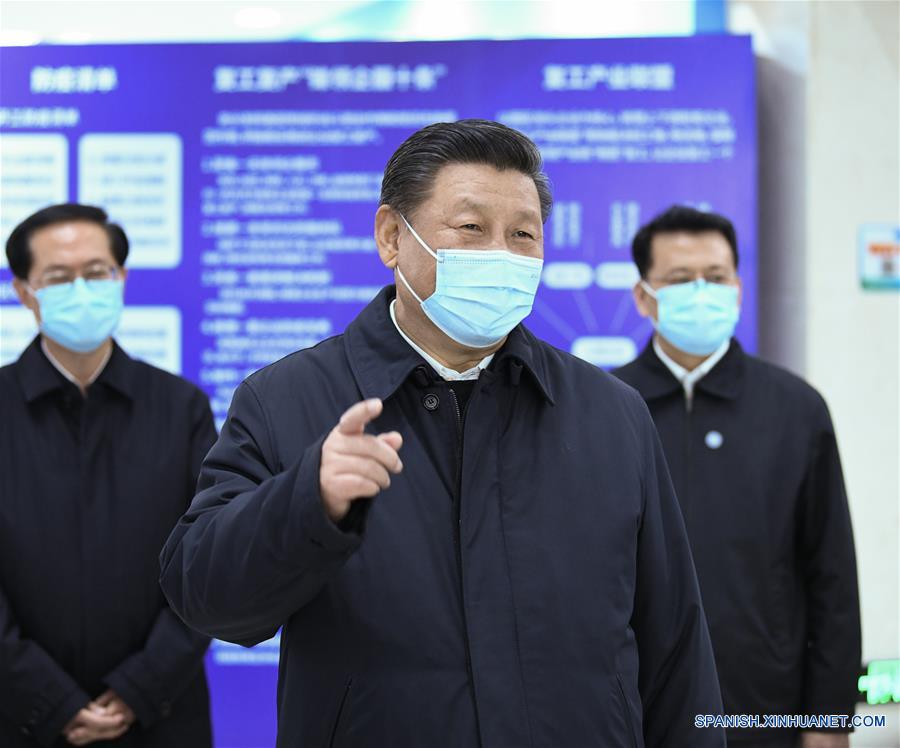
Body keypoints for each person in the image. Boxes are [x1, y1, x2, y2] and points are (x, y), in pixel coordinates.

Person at [160, 119, 726, 748]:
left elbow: (676, 646)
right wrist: (306, 504)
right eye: (471, 229)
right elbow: (204, 595)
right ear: (391, 238)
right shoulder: (286, 401)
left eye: (523, 235)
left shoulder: (611, 413)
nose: (502, 256)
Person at [613, 206, 861, 748]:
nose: (701, 292)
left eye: (716, 277)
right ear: (643, 296)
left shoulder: (795, 409)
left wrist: (830, 718)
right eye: (680, 279)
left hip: (764, 711)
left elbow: (831, 573)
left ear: (738, 288)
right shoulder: (604, 408)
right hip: (634, 708)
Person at [0, 204, 216, 747]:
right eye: (57, 277)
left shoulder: (180, 407)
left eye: (96, 273)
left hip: (160, 716)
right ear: (26, 292)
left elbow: (209, 560)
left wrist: (138, 689)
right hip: (16, 716)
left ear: (121, 278)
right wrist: (49, 700)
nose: (81, 289)